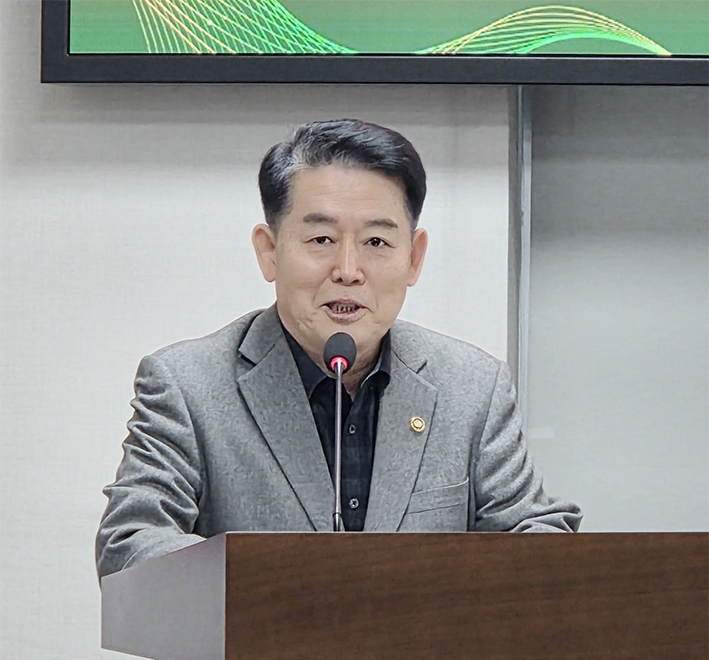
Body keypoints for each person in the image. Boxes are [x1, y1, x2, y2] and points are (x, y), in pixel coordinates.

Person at [96, 119, 581, 578]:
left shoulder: (472, 387)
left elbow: (538, 536)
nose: (348, 270)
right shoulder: (188, 385)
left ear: (414, 258)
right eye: (322, 239)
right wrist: (290, 591)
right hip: (260, 641)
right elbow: (132, 544)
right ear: (269, 250)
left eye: (376, 242)